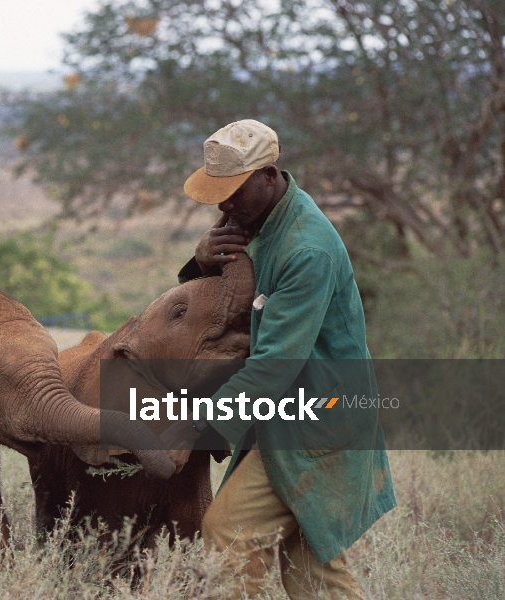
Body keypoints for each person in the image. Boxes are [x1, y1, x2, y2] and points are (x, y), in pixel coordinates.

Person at [161, 119, 396, 599]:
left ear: (270, 174)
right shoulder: (256, 223)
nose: (223, 205)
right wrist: (203, 261)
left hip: (318, 424)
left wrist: (195, 428)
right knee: (314, 575)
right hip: (291, 414)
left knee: (228, 531)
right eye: (218, 193)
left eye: (234, 191)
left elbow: (273, 366)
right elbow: (221, 308)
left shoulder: (305, 248)